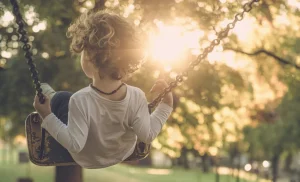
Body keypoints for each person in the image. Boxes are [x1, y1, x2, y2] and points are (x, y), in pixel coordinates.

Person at [33, 10, 173, 169]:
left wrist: (46, 115)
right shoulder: (137, 96)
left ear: (89, 57)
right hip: (122, 153)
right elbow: (147, 135)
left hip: (87, 158)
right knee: (66, 100)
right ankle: (50, 94)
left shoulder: (79, 100)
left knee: (61, 98)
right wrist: (165, 106)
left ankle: (49, 94)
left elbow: (74, 144)